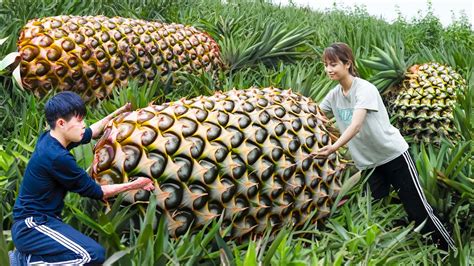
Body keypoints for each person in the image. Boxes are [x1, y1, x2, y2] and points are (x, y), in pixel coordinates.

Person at [315, 42, 456, 251]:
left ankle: (450, 250)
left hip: (393, 156)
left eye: (334, 64)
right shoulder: (334, 95)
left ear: (347, 64)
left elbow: (355, 125)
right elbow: (314, 112)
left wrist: (333, 147)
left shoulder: (365, 89)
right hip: (368, 165)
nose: (329, 69)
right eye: (326, 65)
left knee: (417, 209)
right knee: (377, 211)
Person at [10, 91, 155, 265]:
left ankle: (26, 258)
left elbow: (92, 131)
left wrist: (118, 113)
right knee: (90, 256)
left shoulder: (50, 138)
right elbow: (99, 192)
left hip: (43, 222)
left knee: (89, 253)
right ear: (62, 123)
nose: (83, 124)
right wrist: (136, 184)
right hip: (32, 227)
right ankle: (24, 262)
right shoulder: (57, 157)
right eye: (79, 121)